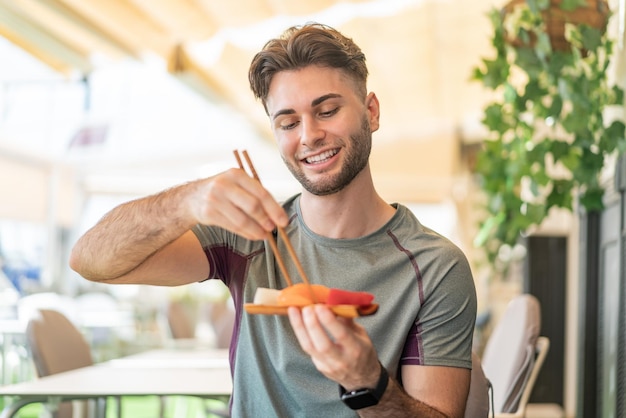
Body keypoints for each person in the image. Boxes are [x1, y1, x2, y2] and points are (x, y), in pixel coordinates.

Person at [70, 23, 477, 418]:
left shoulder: (435, 266)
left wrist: (368, 383)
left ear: (370, 112)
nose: (309, 135)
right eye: (288, 122)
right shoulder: (247, 236)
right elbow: (90, 260)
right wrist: (187, 201)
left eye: (328, 110)